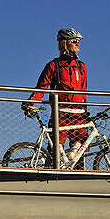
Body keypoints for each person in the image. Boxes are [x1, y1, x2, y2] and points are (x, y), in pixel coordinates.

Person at [22, 27, 89, 167]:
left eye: (78, 42)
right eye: (75, 41)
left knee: (79, 153)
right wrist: (30, 103)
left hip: (79, 115)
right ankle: (48, 179)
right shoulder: (53, 66)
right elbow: (41, 88)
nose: (78, 44)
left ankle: (78, 180)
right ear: (65, 43)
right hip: (61, 114)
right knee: (54, 152)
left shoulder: (82, 66)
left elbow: (83, 92)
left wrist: (87, 112)